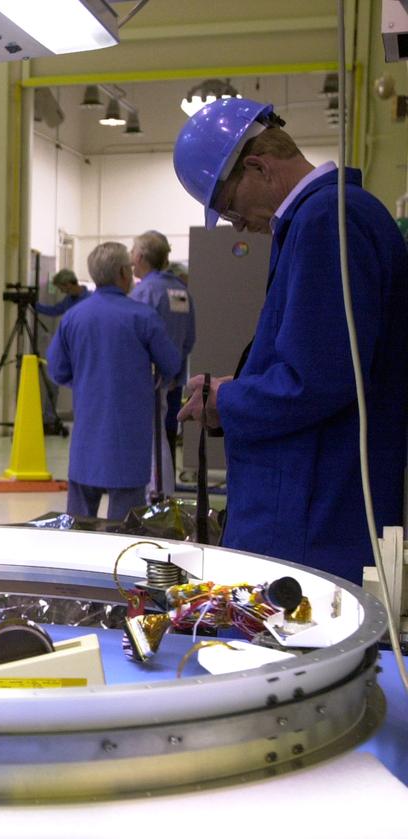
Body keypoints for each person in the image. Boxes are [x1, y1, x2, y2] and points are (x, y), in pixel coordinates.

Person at [173, 98, 408, 584]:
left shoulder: (329, 220)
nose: (237, 225)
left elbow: (316, 380)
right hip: (318, 503)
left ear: (258, 166)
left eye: (229, 208)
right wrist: (236, 386)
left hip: (316, 518)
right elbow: (319, 355)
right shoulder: (330, 216)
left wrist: (229, 399)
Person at [47, 242, 182, 520]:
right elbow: (171, 364)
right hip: (128, 444)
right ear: (123, 272)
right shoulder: (142, 317)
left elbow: (58, 370)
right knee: (124, 530)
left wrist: (88, 383)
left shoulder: (73, 317)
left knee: (79, 525)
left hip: (86, 442)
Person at [129, 230, 195, 495]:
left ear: (142, 256)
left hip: (145, 379)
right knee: (161, 439)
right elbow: (190, 338)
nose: (131, 258)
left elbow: (132, 338)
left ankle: (156, 496)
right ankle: (162, 494)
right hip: (169, 378)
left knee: (150, 441)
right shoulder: (180, 291)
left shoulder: (143, 293)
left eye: (133, 252)